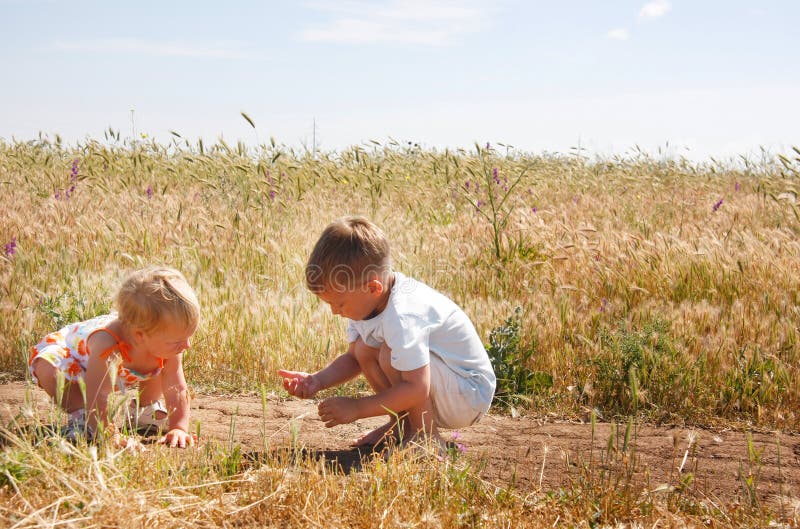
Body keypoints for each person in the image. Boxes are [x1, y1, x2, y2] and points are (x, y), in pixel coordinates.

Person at [278, 216, 495, 448]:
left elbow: (416, 387)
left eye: (339, 304)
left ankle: (425, 437)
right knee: (364, 349)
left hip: (467, 394)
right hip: (442, 388)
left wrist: (357, 408)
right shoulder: (366, 303)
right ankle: (401, 425)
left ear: (372, 287)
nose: (334, 312)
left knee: (390, 354)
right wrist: (316, 381)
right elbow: (354, 359)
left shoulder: (403, 314)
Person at [28, 266, 199, 448]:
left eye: (189, 337)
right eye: (178, 341)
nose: (187, 345)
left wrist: (179, 427)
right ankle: (82, 416)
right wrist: (109, 434)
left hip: (134, 356)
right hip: (76, 360)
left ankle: (144, 409)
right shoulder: (107, 344)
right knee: (47, 367)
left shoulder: (164, 341)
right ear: (140, 335)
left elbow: (177, 387)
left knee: (163, 358)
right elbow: (98, 394)